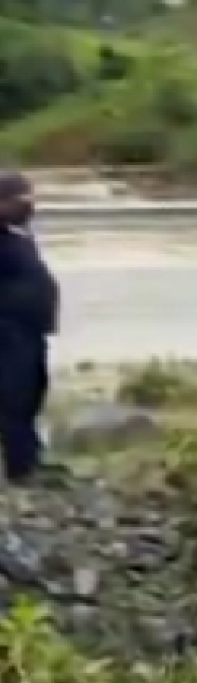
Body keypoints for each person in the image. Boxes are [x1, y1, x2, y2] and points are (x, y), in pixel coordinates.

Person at [0, 171, 59, 484]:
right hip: (7, 330)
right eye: (20, 200)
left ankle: (32, 456)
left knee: (34, 390)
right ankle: (20, 467)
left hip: (30, 329)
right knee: (15, 396)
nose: (28, 206)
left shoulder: (21, 236)